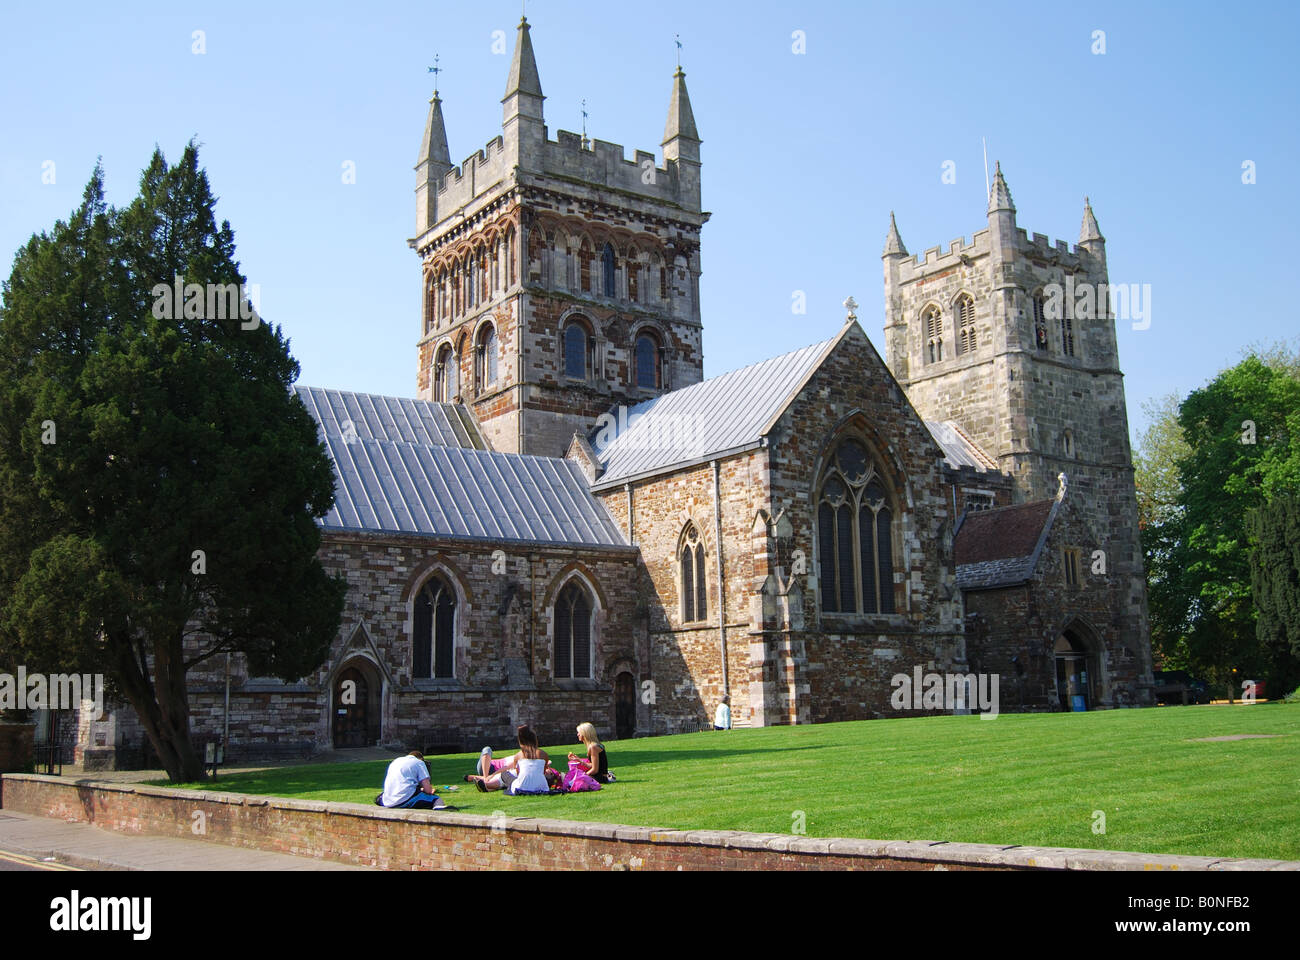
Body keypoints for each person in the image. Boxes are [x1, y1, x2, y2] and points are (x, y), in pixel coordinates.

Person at [475, 725, 553, 795]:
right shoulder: (544, 754)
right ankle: (489, 786)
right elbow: (543, 772)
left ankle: (489, 786)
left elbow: (519, 774)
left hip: (521, 788)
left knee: (505, 775)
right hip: (542, 787)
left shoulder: (518, 755)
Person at [378, 751, 446, 809]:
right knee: (436, 799)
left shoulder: (396, 761)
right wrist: (430, 791)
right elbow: (428, 790)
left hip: (387, 800)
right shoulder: (419, 762)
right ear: (421, 758)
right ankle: (440, 809)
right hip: (403, 800)